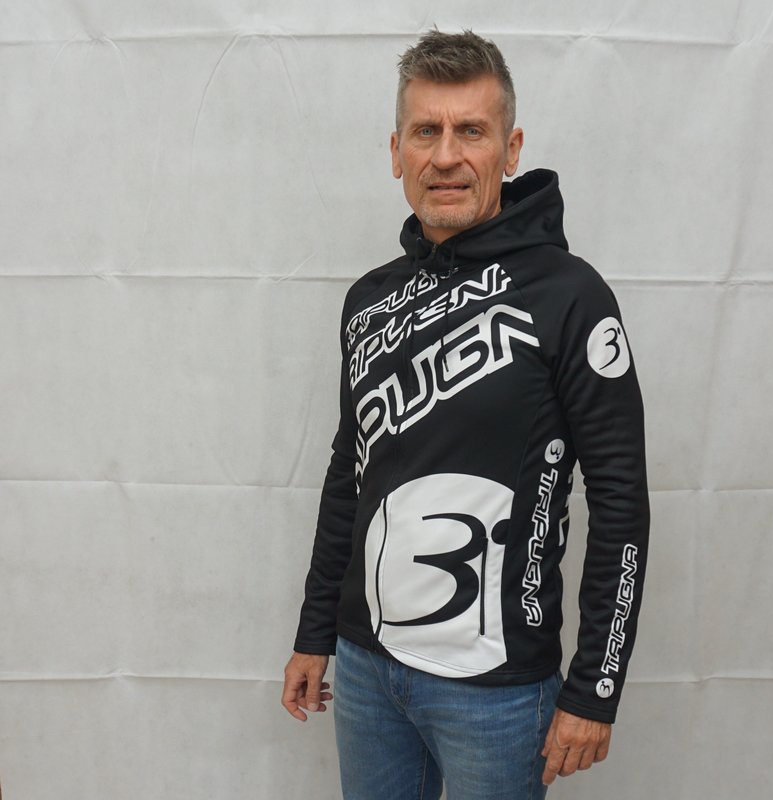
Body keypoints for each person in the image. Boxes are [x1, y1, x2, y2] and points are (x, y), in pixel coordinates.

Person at [281, 29, 649, 800]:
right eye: (426, 131)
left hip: (498, 693)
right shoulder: (369, 301)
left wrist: (595, 688)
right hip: (367, 672)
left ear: (510, 150)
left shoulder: (571, 296)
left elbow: (620, 501)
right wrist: (316, 632)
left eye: (470, 131)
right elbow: (349, 475)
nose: (446, 156)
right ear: (397, 153)